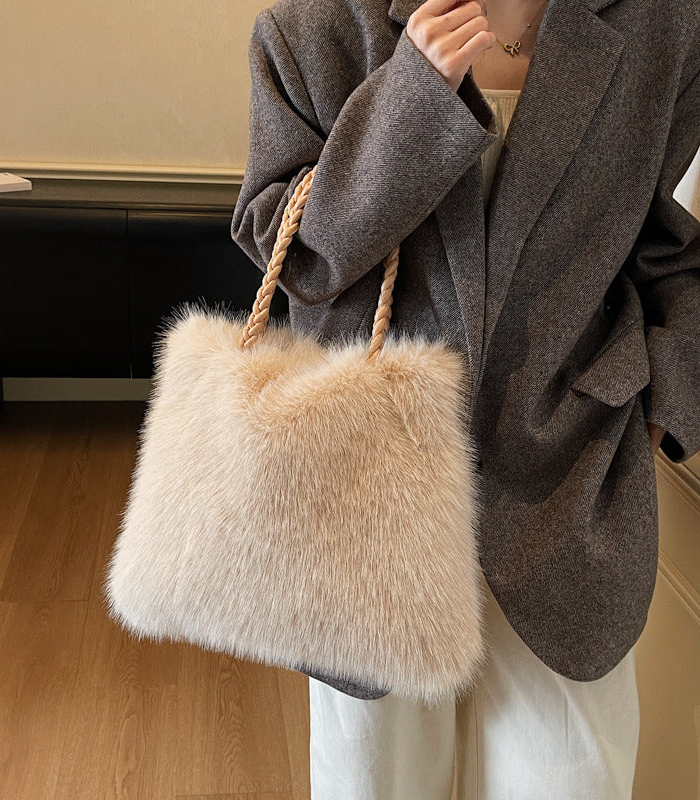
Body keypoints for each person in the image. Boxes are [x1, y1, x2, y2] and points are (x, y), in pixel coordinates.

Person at [231, 0, 700, 796]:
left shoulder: (667, 26)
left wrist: (667, 405)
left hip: (569, 489)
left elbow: (668, 250)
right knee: (374, 783)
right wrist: (411, 104)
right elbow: (296, 257)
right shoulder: (312, 29)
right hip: (366, 500)